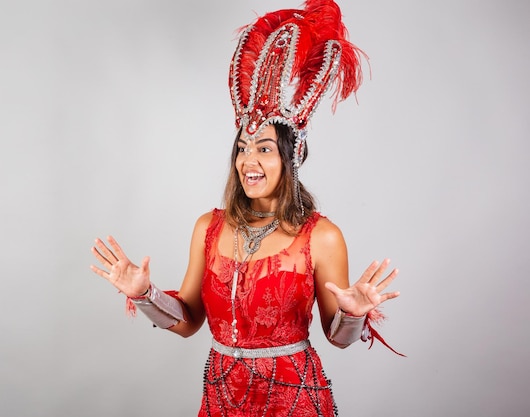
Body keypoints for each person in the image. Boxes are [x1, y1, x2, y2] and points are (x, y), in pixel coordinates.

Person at [90, 1, 402, 416]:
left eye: (264, 149)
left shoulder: (321, 237)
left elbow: (338, 338)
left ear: (290, 159)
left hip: (294, 401)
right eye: (242, 148)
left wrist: (353, 315)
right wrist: (144, 295)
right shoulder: (209, 227)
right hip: (222, 398)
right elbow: (187, 321)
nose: (247, 161)